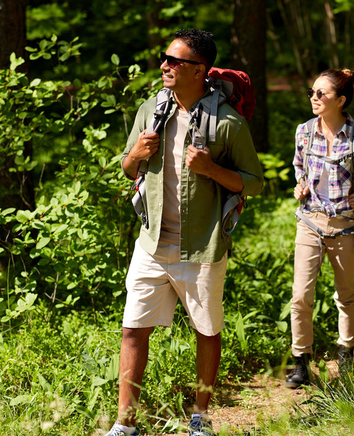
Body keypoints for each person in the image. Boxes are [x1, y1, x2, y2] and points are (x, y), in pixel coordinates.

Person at [106, 29, 263, 436]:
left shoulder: (227, 122)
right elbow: (128, 167)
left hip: (203, 247)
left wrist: (211, 169)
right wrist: (135, 156)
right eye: (165, 58)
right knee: (132, 329)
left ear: (199, 70)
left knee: (206, 331)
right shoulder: (149, 110)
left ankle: (200, 418)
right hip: (152, 243)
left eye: (174, 61)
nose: (164, 66)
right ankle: (126, 423)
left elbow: (255, 181)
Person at [287, 69, 354, 388]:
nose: (314, 98)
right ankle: (300, 362)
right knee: (300, 295)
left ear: (341, 100)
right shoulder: (304, 131)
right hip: (309, 222)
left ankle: (345, 354)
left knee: (346, 295)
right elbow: (298, 165)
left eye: (321, 93)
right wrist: (301, 185)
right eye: (311, 92)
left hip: (347, 227)